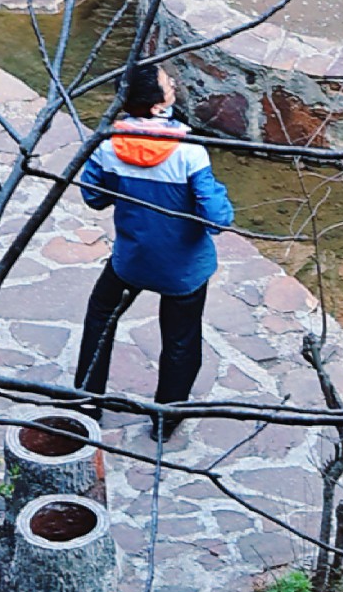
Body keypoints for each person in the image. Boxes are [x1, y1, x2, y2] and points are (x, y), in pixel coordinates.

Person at [72, 56, 233, 430]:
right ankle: (166, 418)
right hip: (183, 270)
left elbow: (94, 197)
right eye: (167, 84)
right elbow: (217, 218)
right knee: (180, 342)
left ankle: (87, 402)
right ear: (159, 105)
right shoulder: (190, 152)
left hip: (132, 260)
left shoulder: (109, 145)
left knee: (100, 316)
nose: (173, 84)